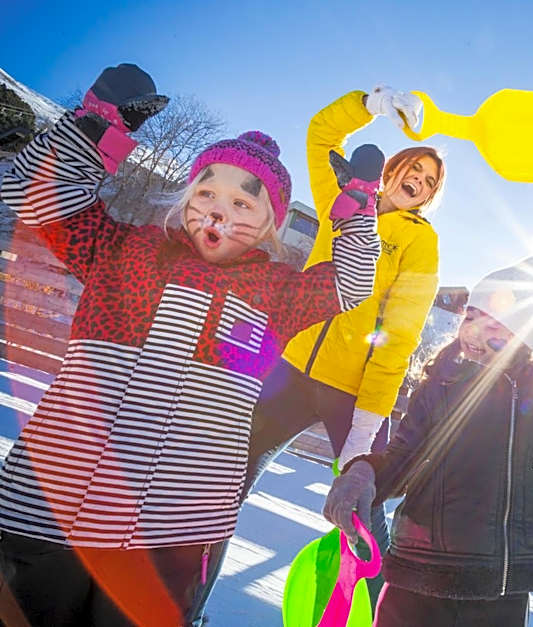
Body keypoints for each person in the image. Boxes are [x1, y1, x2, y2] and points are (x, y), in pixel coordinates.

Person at [0, 64, 380, 626]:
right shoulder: (122, 250)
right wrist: (95, 127)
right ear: (185, 200)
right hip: (48, 510)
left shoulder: (277, 293)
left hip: (172, 538)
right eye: (208, 191)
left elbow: (349, 284)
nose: (221, 210)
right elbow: (33, 197)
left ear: (272, 226)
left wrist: (356, 209)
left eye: (245, 203)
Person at [192, 85, 446, 615]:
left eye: (427, 184)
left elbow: (400, 331)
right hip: (287, 367)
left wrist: (368, 417)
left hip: (351, 393)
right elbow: (321, 133)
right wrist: (370, 104)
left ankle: (382, 619)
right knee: (216, 489)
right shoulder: (344, 199)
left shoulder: (420, 241)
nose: (416, 185)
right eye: (411, 173)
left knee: (364, 516)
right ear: (392, 170)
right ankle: (185, 602)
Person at [322, 241, 533, 626]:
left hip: (498, 589)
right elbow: (401, 457)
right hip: (418, 575)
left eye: (496, 327)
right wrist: (365, 473)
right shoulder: (437, 387)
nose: (476, 334)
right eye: (471, 317)